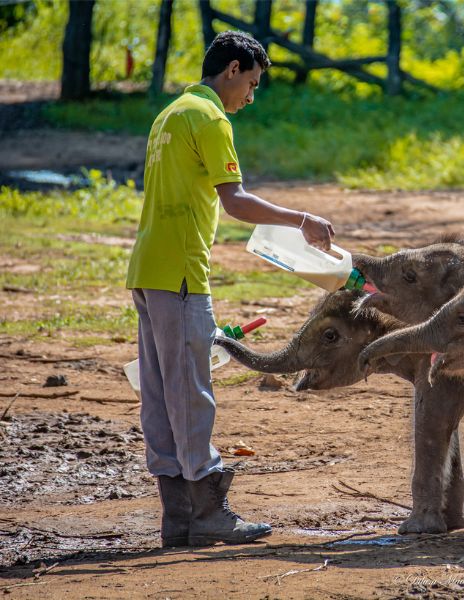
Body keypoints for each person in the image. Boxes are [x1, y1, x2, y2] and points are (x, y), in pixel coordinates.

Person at [125, 30, 334, 547]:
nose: (250, 96)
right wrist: (302, 219)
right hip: (179, 275)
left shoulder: (170, 113)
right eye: (253, 84)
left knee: (159, 392)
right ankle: (208, 512)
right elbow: (235, 201)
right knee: (191, 392)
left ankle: (178, 517)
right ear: (233, 69)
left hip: (147, 270)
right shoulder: (210, 116)